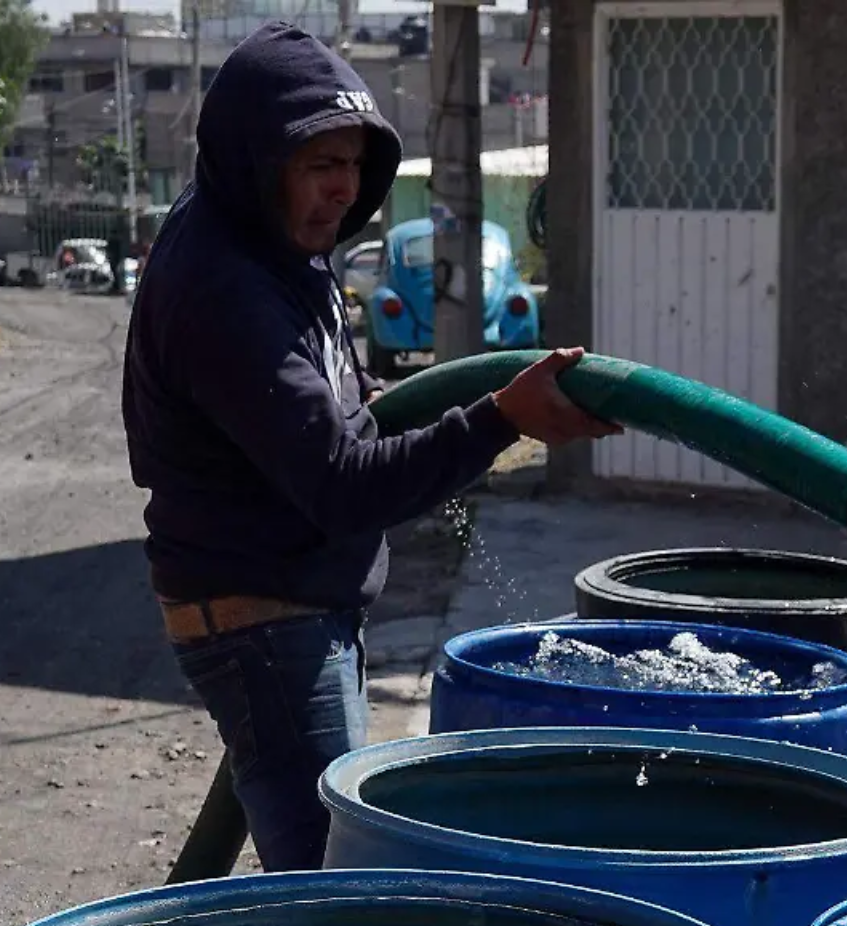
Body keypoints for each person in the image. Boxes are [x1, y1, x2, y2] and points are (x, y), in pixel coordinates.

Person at [120, 21, 618, 872]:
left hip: (293, 609)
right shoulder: (225, 290)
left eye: (354, 166)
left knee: (324, 876)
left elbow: (308, 416)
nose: (343, 191)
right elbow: (345, 486)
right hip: (267, 626)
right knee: (337, 892)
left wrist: (373, 406)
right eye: (320, 165)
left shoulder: (268, 241)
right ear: (257, 161)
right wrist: (502, 418)